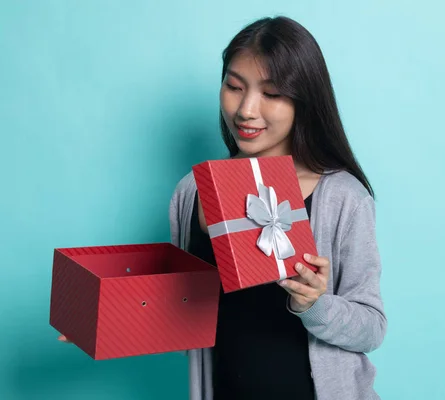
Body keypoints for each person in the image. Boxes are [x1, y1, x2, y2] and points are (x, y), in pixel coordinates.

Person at [61, 15, 386, 400]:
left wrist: (315, 304)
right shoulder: (193, 191)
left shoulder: (343, 197)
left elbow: (372, 328)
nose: (246, 110)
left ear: (304, 99)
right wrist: (110, 318)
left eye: (272, 94)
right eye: (234, 87)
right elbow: (190, 316)